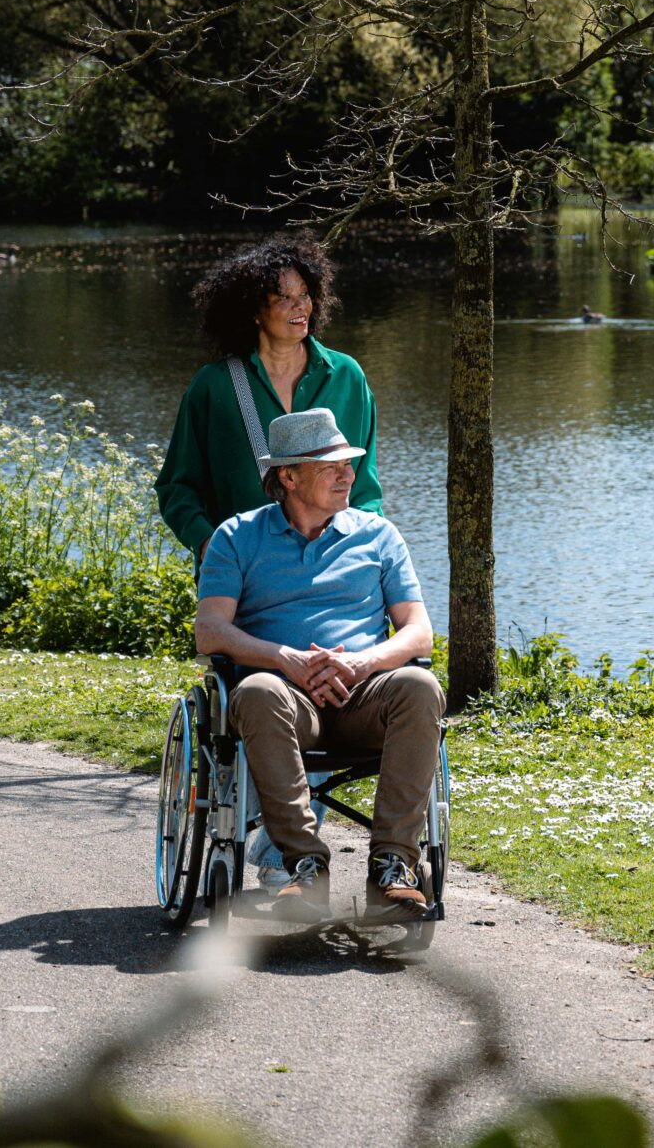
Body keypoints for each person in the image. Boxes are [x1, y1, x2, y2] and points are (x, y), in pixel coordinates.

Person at [195, 407, 441, 922]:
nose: (347, 474)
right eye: (330, 465)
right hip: (283, 700)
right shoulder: (237, 537)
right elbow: (211, 631)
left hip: (364, 697)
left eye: (348, 463)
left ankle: (393, 868)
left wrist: (363, 664)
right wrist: (286, 660)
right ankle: (304, 868)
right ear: (287, 476)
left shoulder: (378, 536)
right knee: (257, 692)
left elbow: (419, 631)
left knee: (419, 684)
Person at [156, 235, 383, 563]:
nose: (300, 306)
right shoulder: (214, 387)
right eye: (284, 297)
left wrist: (366, 552)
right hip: (244, 572)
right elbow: (178, 488)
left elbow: (365, 488)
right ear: (254, 312)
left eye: (304, 294)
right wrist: (207, 544)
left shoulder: (347, 377)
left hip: (336, 566)